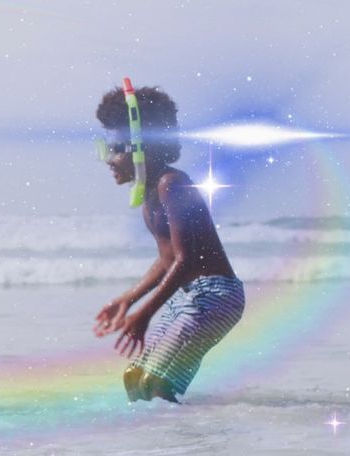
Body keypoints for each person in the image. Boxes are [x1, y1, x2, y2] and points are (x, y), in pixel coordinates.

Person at [92, 84, 245, 403]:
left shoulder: (172, 184)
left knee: (158, 384)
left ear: (139, 147)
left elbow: (186, 260)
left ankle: (197, 445)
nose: (107, 159)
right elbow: (167, 259)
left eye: (114, 149)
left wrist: (145, 314)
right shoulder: (150, 195)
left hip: (216, 296)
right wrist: (128, 299)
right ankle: (161, 447)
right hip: (188, 296)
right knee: (135, 380)